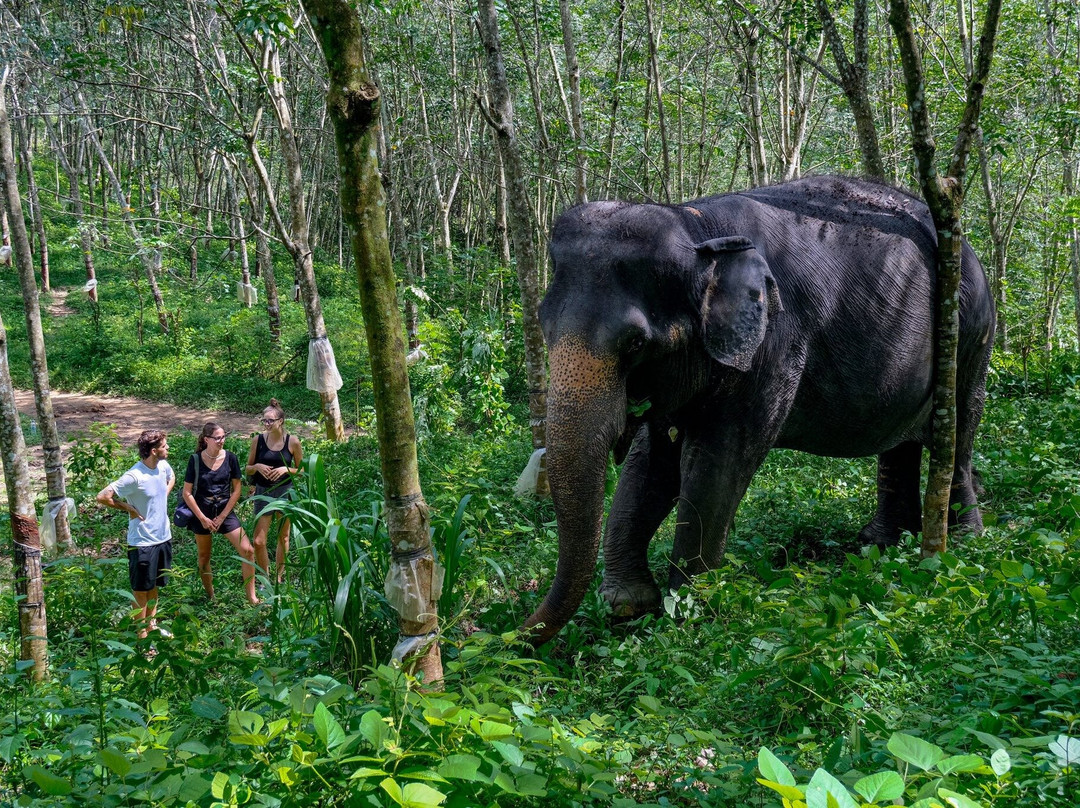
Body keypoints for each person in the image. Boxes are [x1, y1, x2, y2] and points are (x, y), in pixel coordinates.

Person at [97, 430, 175, 639]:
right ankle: (141, 635)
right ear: (153, 450)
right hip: (142, 542)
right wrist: (129, 508)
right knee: (141, 590)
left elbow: (171, 477)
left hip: (163, 537)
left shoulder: (163, 466)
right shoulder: (134, 476)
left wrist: (162, 498)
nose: (168, 449)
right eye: (165, 446)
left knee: (155, 586)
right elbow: (103, 496)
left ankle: (152, 626)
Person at [183, 422, 259, 605]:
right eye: (217, 438)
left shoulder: (230, 458)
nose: (221, 440)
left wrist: (223, 516)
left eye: (224, 436)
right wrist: (202, 518)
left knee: (248, 550)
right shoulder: (195, 460)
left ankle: (252, 597)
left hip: (225, 512)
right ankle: (211, 597)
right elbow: (187, 492)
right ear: (206, 439)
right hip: (202, 513)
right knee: (204, 557)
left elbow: (237, 490)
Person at [246, 399, 302, 583]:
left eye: (271, 420)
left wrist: (287, 469)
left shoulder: (292, 441)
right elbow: (248, 468)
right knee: (258, 541)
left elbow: (302, 470)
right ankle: (264, 577)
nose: (267, 424)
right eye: (264, 420)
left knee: (283, 537)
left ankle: (278, 577)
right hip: (263, 491)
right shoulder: (258, 440)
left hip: (285, 491)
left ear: (281, 421)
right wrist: (258, 467)